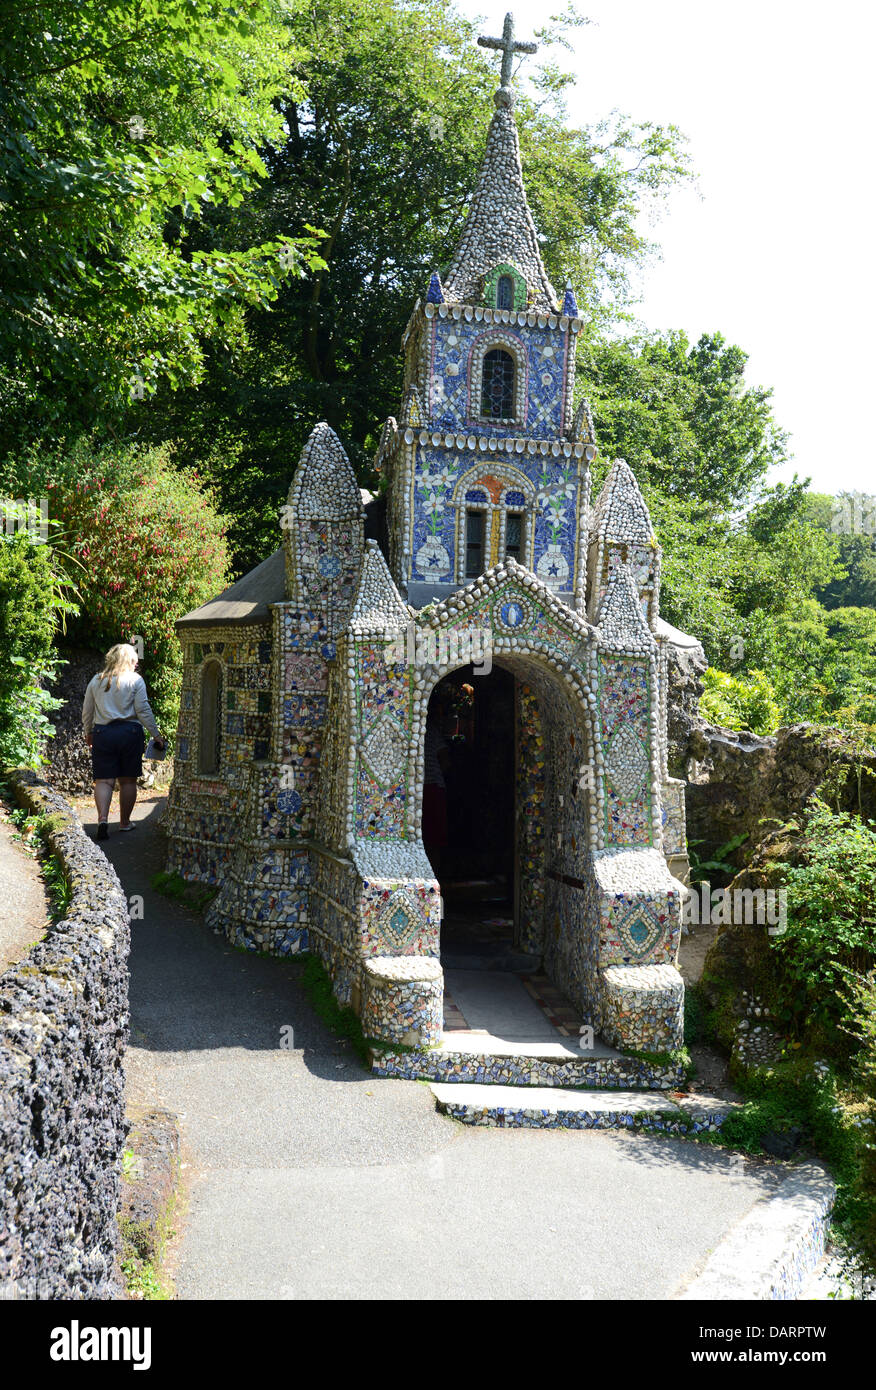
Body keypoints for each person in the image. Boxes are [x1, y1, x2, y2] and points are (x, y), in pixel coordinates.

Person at [82, 643, 165, 840]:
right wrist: (156, 735)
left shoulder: (96, 680)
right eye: (135, 662)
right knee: (128, 780)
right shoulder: (135, 680)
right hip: (130, 733)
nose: (136, 666)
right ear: (129, 661)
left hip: (103, 733)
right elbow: (143, 710)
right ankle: (124, 822)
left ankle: (102, 819)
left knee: (103, 780)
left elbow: (87, 710)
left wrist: (89, 732)